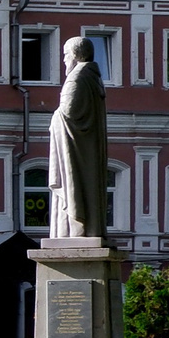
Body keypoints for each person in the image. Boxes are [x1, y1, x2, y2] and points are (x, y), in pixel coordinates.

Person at [48, 35, 110, 240]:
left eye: (65, 55)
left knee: (74, 191)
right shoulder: (94, 79)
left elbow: (68, 113)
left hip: (74, 153)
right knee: (89, 190)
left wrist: (54, 118)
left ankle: (74, 229)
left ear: (75, 56)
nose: (64, 60)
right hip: (88, 151)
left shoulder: (76, 79)